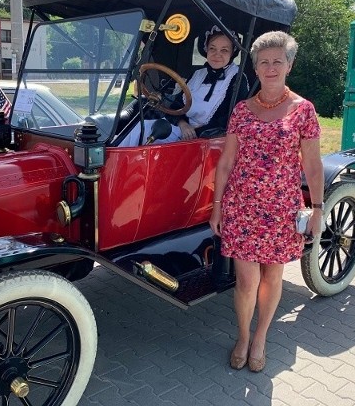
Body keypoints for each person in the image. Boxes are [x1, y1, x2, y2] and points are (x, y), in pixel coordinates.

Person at [208, 31, 324, 373]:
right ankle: (243, 336)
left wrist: (317, 209)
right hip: (242, 207)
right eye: (263, 62)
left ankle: (261, 337)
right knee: (246, 281)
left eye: (277, 61)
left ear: (289, 65)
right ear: (256, 69)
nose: (270, 68)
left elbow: (313, 166)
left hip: (281, 209)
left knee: (273, 278)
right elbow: (226, 162)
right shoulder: (242, 111)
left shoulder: (303, 110)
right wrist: (217, 204)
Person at [119, 25, 249, 146]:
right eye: (212, 48)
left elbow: (229, 119)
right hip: (182, 129)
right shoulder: (198, 74)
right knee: (143, 127)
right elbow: (177, 105)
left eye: (224, 50)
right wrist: (182, 124)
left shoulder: (237, 78)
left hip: (207, 139)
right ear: (206, 49)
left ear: (232, 53)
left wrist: (196, 132)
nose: (217, 54)